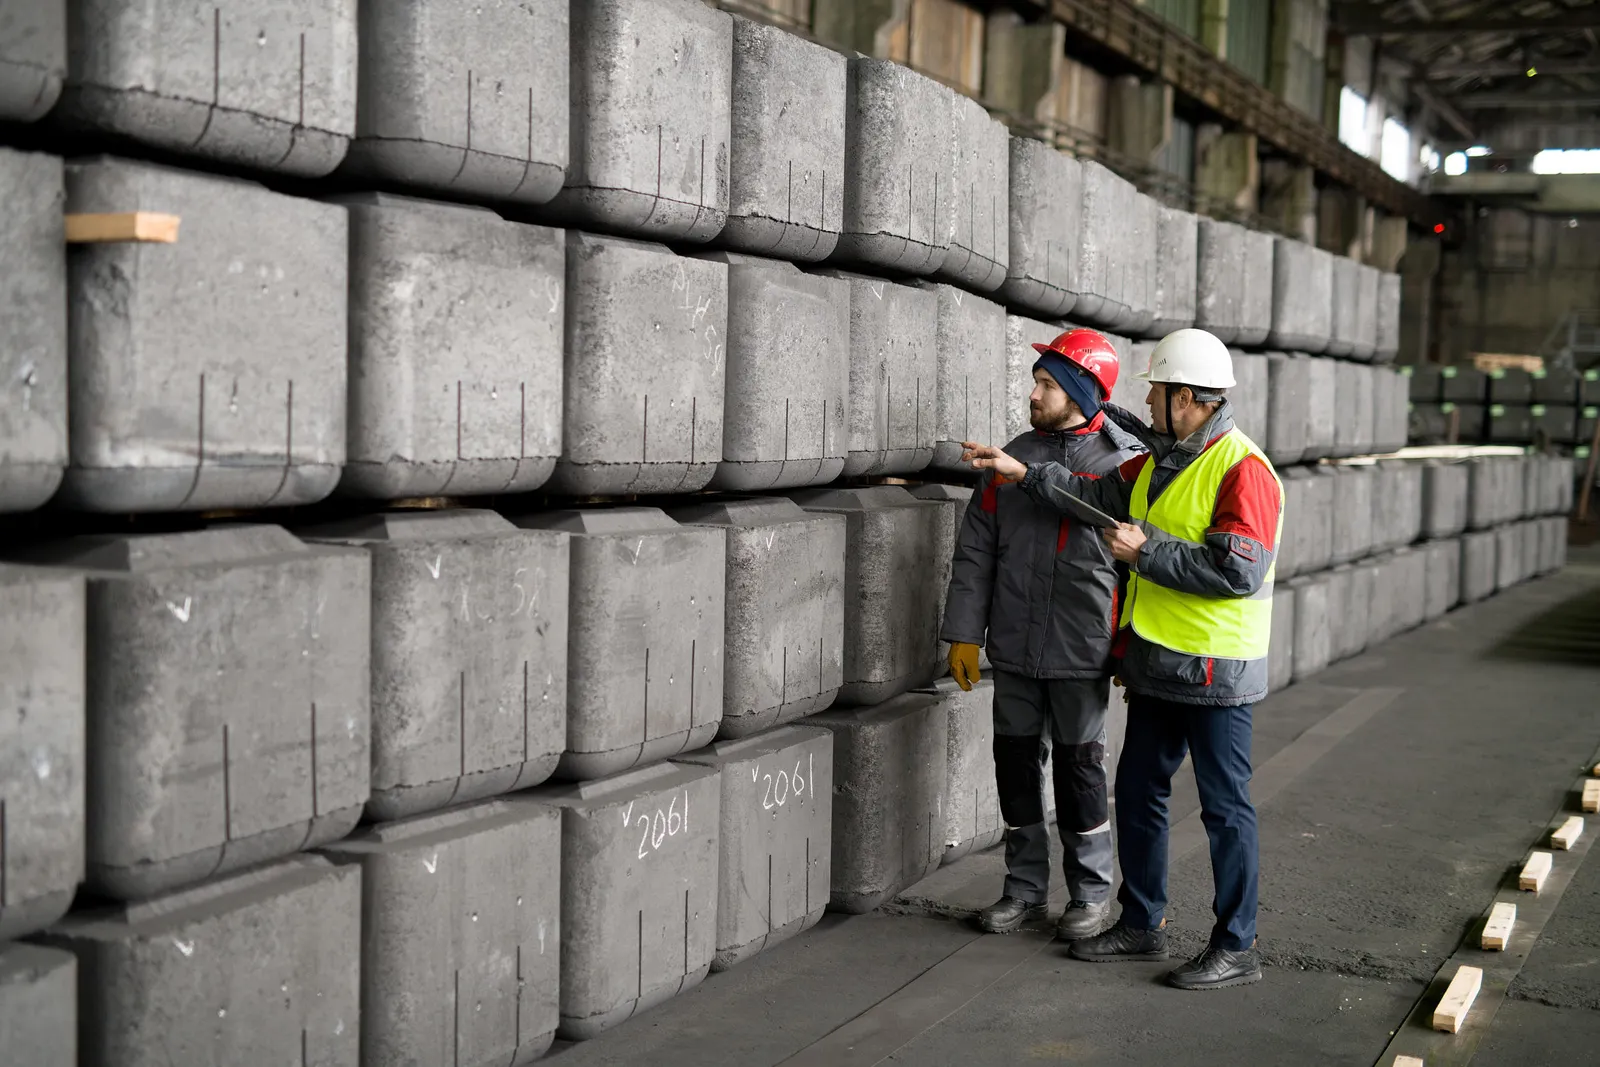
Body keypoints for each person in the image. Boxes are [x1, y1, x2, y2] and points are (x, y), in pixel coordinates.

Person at [959, 328, 1284, 991]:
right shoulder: (1155, 465)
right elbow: (1091, 498)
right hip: (1161, 670)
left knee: (1225, 810)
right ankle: (1141, 922)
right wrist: (1026, 474)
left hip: (1216, 675)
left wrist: (1149, 553)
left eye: (1158, 392)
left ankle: (1237, 944)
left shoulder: (1241, 468)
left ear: (1187, 399)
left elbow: (1239, 569)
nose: (1150, 403)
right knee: (1138, 794)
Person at [941, 328, 1147, 940]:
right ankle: (1024, 889)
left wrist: (1128, 652)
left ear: (1083, 390)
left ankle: (1089, 894)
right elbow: (975, 552)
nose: (1034, 392)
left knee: (1080, 770)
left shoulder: (1122, 463)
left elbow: (1134, 563)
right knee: (1014, 763)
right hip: (1014, 644)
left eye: (1048, 384)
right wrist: (963, 634)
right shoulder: (1012, 454)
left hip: (1083, 649)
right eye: (1036, 381)